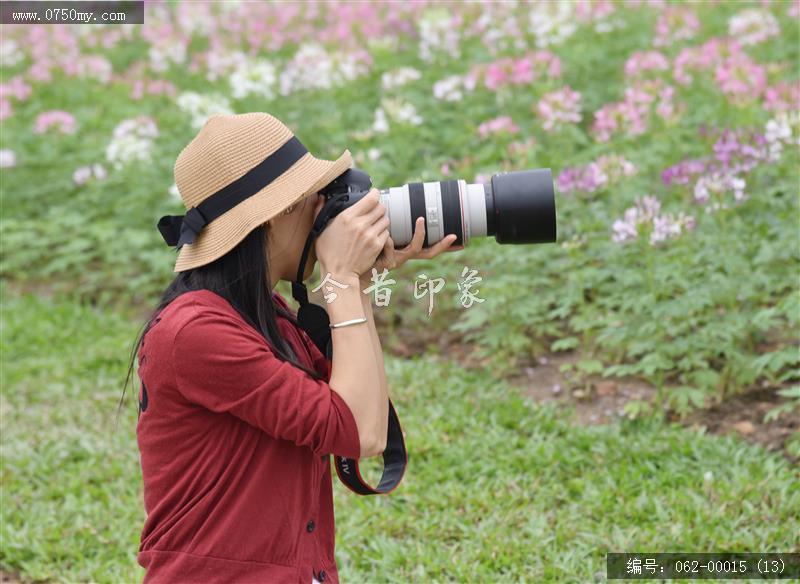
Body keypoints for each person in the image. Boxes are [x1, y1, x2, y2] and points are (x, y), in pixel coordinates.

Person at [121, 112, 457, 584]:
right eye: (318, 198)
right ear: (276, 212)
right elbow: (360, 434)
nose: (328, 212)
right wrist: (338, 279)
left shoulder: (263, 314)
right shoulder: (195, 332)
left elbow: (364, 420)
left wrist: (355, 281)